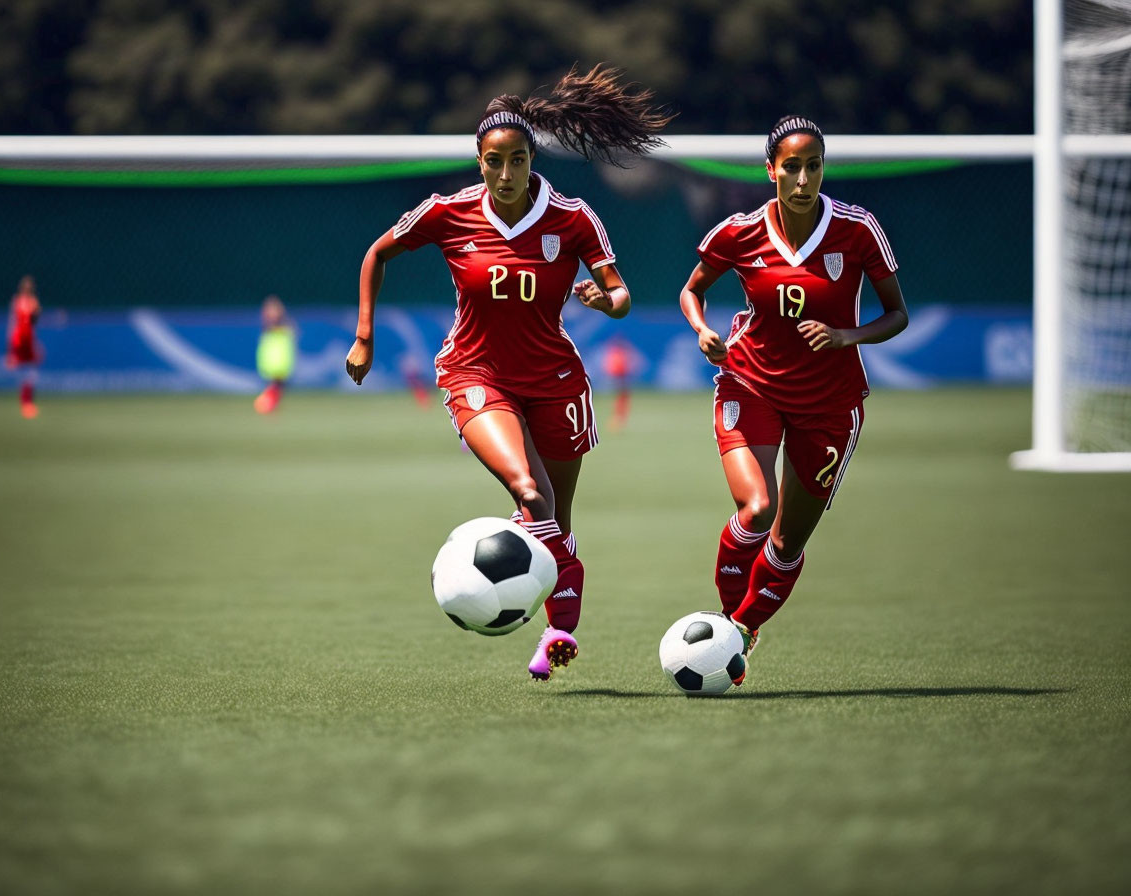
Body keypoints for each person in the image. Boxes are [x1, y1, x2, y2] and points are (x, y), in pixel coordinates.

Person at [346, 65, 671, 680]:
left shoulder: (572, 218)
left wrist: (609, 301)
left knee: (557, 522)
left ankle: (553, 633)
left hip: (555, 382)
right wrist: (364, 337)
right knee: (529, 492)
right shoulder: (448, 213)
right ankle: (564, 615)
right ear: (478, 159)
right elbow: (377, 253)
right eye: (494, 162)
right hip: (475, 373)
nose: (505, 174)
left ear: (531, 159)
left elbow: (621, 293)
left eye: (517, 160)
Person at [678, 115, 909, 681]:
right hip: (751, 380)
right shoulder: (739, 232)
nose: (803, 179)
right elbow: (692, 290)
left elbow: (898, 314)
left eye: (814, 167)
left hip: (830, 403)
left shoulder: (857, 230)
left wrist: (845, 336)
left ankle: (739, 631)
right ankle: (727, 629)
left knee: (786, 541)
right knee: (755, 509)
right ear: (771, 170)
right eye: (792, 167)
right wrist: (702, 330)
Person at [5, 275, 43, 418]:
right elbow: (12, 323)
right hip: (19, 340)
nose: (27, 289)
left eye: (30, 287)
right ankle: (24, 402)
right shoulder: (16, 302)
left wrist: (37, 312)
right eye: (25, 286)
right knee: (21, 372)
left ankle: (28, 402)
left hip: (29, 340)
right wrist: (10, 350)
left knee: (32, 372)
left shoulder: (34, 302)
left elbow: (34, 324)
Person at [254, 294, 296, 414]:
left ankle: (268, 403)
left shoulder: (285, 326)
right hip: (273, 358)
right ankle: (265, 403)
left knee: (279, 384)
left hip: (281, 358)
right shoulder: (268, 328)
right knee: (274, 383)